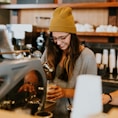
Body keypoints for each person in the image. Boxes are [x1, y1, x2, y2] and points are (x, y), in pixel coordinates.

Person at [41, 6, 97, 118]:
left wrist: (65, 92)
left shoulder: (87, 56)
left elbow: (92, 94)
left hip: (73, 114)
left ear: (72, 34)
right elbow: (40, 73)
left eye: (63, 37)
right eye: (55, 38)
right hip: (49, 112)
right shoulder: (50, 51)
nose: (58, 42)